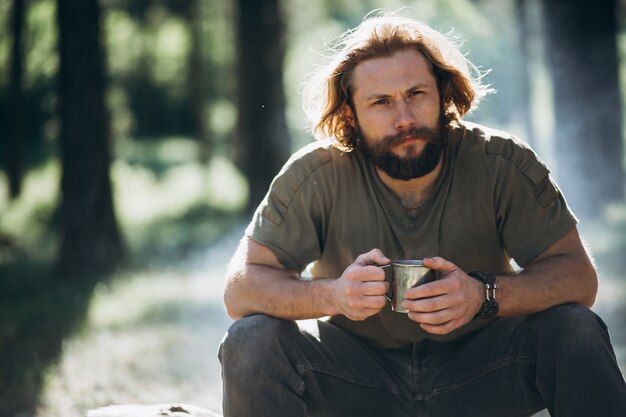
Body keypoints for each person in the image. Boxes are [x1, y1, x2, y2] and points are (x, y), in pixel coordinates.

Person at [218, 13, 626, 417]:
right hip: (354, 379)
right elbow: (241, 290)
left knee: (574, 327)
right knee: (251, 339)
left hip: (484, 371)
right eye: (381, 102)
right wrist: (333, 294)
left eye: (416, 93)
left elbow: (578, 278)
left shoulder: (502, 162)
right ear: (349, 115)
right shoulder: (315, 174)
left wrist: (483, 295)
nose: (405, 118)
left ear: (443, 93)